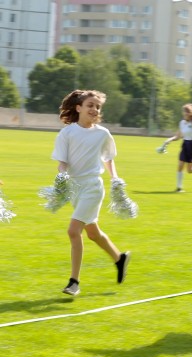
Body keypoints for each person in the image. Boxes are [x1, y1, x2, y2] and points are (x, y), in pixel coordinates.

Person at [51, 89, 131, 296]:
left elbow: (108, 158)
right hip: (74, 189)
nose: (94, 109)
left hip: (93, 188)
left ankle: (74, 282)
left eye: (97, 107)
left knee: (73, 231)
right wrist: (62, 178)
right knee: (93, 233)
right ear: (78, 108)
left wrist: (115, 179)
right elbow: (62, 163)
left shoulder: (102, 134)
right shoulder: (66, 133)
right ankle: (119, 258)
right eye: (90, 105)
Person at [159, 104, 192, 192]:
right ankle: (179, 188)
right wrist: (168, 141)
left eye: (186, 112)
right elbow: (178, 136)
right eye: (184, 112)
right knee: (180, 166)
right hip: (185, 145)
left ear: (189, 113)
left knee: (189, 170)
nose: (184, 113)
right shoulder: (182, 123)